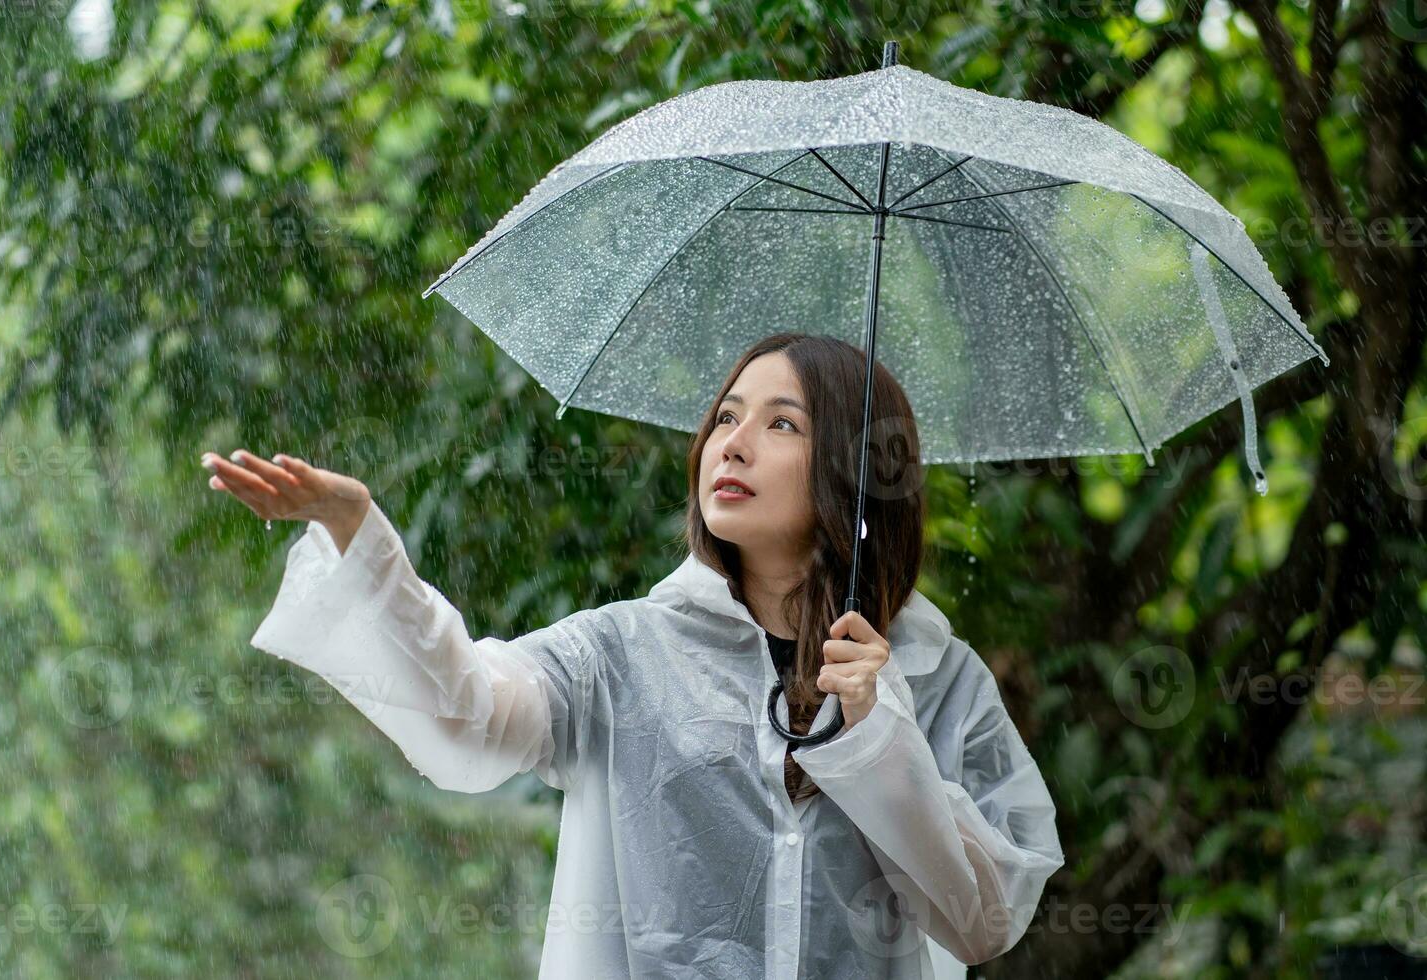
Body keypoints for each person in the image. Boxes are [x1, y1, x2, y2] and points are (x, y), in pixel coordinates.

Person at [201, 332, 1065, 978]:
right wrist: (363, 541)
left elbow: (980, 921)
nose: (733, 442)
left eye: (782, 424)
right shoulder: (619, 652)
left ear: (854, 467)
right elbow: (464, 715)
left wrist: (883, 733)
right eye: (727, 416)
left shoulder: (936, 678)